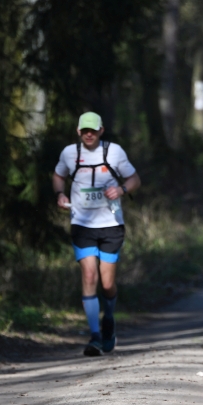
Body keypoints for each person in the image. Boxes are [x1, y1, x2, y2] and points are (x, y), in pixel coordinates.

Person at [53, 112, 142, 356]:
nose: (89, 134)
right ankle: (94, 336)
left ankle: (109, 318)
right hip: (82, 225)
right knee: (89, 275)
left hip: (111, 225)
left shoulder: (114, 152)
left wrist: (121, 190)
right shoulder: (69, 153)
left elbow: (134, 179)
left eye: (93, 130)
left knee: (107, 283)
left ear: (101, 130)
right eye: (85, 130)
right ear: (78, 131)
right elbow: (58, 176)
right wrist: (60, 194)